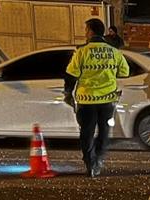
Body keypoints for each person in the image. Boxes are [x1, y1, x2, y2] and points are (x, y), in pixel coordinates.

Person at [64, 18, 129, 177]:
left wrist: (68, 93)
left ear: (91, 31)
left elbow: (71, 75)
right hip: (107, 101)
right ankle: (99, 159)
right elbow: (125, 72)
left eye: (86, 30)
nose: (85, 33)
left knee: (86, 132)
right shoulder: (114, 52)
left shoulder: (82, 52)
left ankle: (89, 163)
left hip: (86, 101)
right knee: (104, 131)